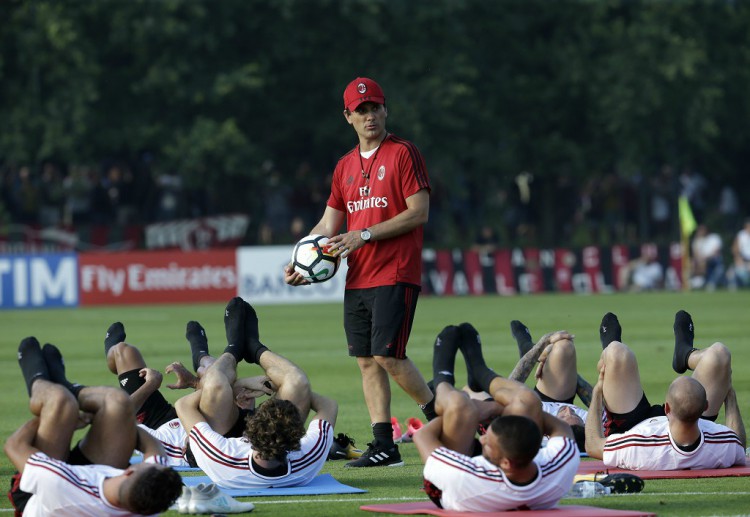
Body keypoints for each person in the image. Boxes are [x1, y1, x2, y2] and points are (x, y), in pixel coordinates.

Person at [284, 76, 435, 467]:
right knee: (367, 360)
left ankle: (441, 420)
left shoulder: (404, 153)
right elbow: (327, 225)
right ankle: (384, 445)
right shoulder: (344, 167)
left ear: (385, 111)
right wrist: (302, 259)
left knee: (389, 356)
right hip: (358, 276)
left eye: (375, 108)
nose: (370, 116)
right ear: (347, 116)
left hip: (396, 271)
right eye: (361, 110)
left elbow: (419, 213)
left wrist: (364, 234)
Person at [7, 337, 183, 516]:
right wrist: (119, 424)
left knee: (60, 402)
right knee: (119, 404)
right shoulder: (147, 500)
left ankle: (38, 381)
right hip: (93, 477)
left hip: (41, 494)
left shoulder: (56, 481)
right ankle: (70, 388)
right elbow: (155, 451)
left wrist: (49, 418)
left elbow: (14, 445)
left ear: (129, 473)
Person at [175, 297, 338, 489]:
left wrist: (236, 385)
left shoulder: (221, 456)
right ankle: (254, 347)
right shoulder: (307, 457)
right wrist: (282, 387)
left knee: (215, 382)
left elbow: (183, 404)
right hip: (269, 438)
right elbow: (329, 405)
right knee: (297, 383)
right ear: (295, 439)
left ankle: (234, 349)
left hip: (220, 432)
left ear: (250, 432)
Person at [412, 325, 580, 512]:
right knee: (529, 401)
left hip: (454, 487)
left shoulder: (461, 475)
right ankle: (480, 372)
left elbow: (422, 436)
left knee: (460, 406)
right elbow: (562, 429)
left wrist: (475, 411)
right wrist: (496, 407)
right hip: (501, 470)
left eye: (488, 441)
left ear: (506, 463)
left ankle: (442, 378)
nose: (481, 438)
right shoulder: (559, 464)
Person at [585, 310, 747, 470]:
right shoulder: (722, 444)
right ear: (705, 406)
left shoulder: (636, 446)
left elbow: (593, 445)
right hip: (696, 426)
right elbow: (738, 444)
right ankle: (685, 354)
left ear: (667, 408)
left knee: (616, 353)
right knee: (720, 354)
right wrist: (729, 393)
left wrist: (598, 392)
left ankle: (608, 351)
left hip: (634, 426)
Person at [103, 320, 273, 468]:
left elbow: (118, 416)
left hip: (158, 421)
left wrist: (152, 384)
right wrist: (243, 406)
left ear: (184, 449)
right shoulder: (220, 443)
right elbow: (243, 426)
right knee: (213, 369)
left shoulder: (161, 445)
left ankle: (111, 352)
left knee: (122, 351)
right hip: (207, 418)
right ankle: (200, 354)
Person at [691, 224, 726, 290]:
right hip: (701, 261)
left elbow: (716, 252)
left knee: (704, 262)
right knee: (693, 262)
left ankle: (706, 281)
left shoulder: (714, 238)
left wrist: (705, 258)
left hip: (714, 260)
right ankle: (697, 280)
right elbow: (695, 254)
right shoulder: (697, 241)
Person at [731, 217, 750, 288]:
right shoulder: (741, 235)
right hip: (743, 259)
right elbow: (735, 249)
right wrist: (738, 258)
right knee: (739, 272)